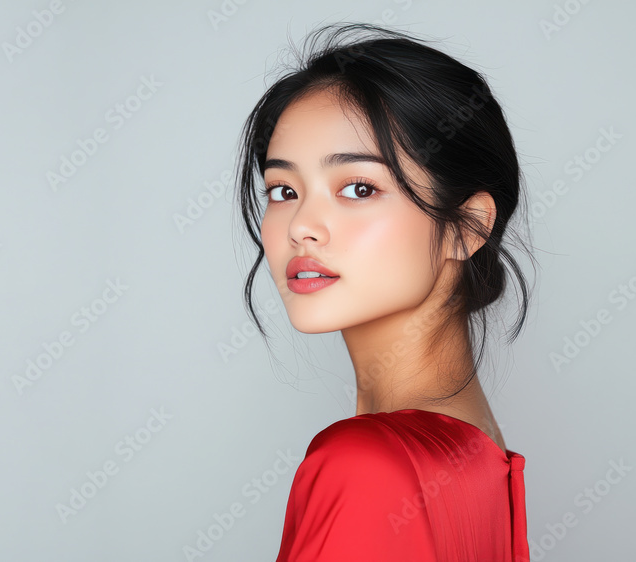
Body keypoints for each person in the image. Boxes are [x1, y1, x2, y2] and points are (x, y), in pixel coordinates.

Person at [233, 23, 536, 561]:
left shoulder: (367, 464)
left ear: (469, 226)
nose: (302, 225)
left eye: (358, 188)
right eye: (283, 190)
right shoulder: (482, 454)